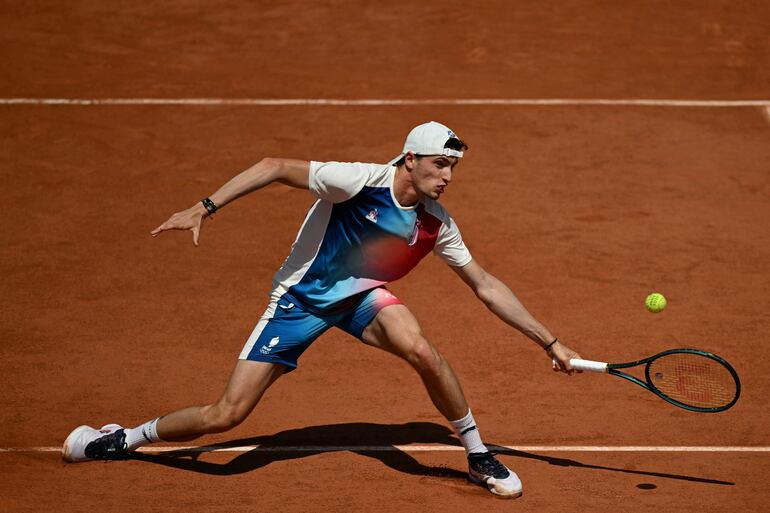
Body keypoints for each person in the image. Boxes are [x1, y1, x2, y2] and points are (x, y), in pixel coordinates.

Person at [62, 121, 581, 498]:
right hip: (298, 302)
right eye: (440, 164)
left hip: (360, 299)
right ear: (410, 160)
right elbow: (273, 166)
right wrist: (205, 207)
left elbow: (485, 285)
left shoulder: (436, 223)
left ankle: (476, 454)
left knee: (422, 349)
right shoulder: (356, 181)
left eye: (454, 167)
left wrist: (550, 342)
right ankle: (123, 438)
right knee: (226, 415)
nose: (448, 176)